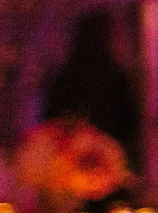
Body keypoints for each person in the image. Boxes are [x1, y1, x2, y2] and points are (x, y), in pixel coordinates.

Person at [43, 9, 139, 161]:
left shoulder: (63, 77)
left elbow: (50, 120)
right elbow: (130, 124)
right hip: (106, 163)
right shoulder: (116, 78)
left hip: (67, 163)